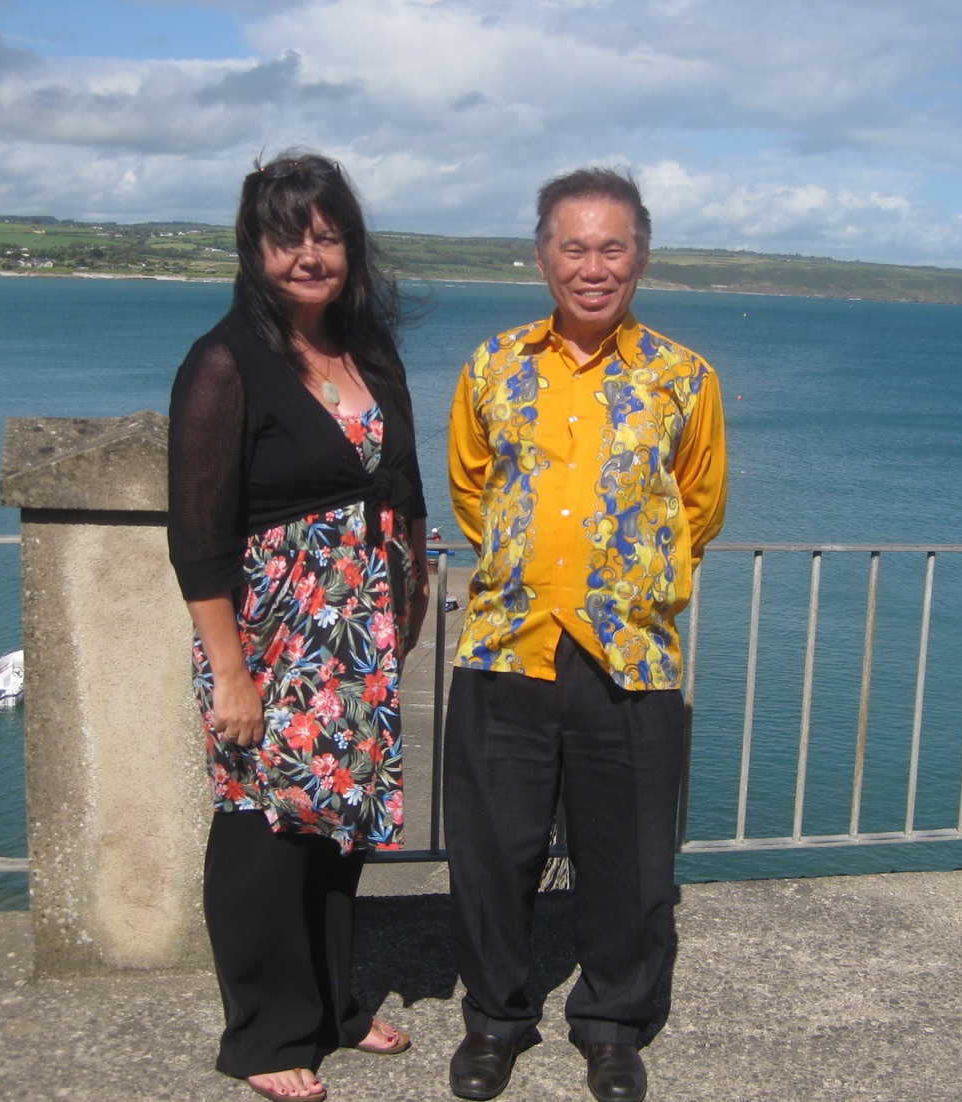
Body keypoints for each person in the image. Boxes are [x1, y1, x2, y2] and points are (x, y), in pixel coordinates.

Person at [443, 167, 728, 1102]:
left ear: (639, 257)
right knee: (494, 855)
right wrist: (538, 568)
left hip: (631, 653)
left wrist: (626, 582)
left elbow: (699, 506)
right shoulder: (491, 366)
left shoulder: (684, 378)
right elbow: (472, 491)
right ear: (541, 256)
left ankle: (613, 1023)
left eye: (612, 247)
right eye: (574, 247)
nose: (592, 266)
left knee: (631, 862)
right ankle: (495, 1020)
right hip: (507, 643)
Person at [167, 151, 430, 1102]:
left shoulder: (368, 348)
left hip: (353, 630)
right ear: (256, 248)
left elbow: (399, 482)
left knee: (333, 825)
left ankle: (330, 1007)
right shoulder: (225, 361)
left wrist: (411, 587)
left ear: (351, 247)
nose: (309, 254)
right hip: (273, 636)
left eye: (327, 234)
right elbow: (196, 537)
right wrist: (229, 672)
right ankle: (264, 1034)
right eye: (289, 236)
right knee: (260, 827)